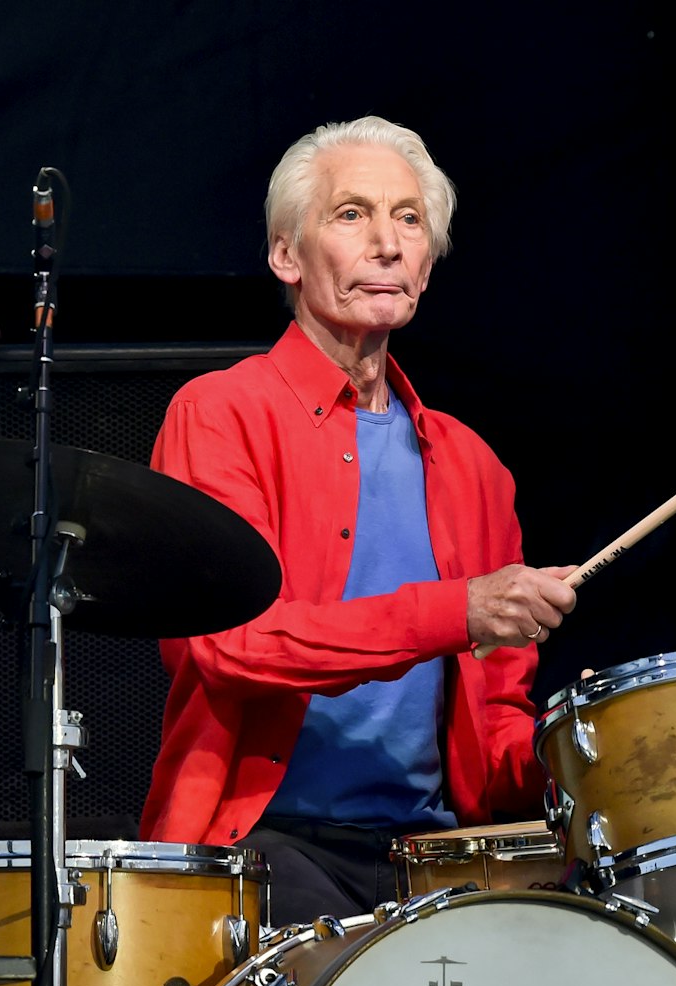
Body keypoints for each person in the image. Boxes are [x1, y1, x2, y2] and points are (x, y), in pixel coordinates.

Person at [139, 115, 574, 927]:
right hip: (263, 846)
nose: (387, 243)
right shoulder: (220, 413)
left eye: (409, 220)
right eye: (352, 215)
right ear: (286, 255)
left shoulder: (477, 467)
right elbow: (230, 646)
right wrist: (456, 609)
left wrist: (583, 755)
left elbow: (496, 718)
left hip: (438, 858)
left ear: (427, 265)